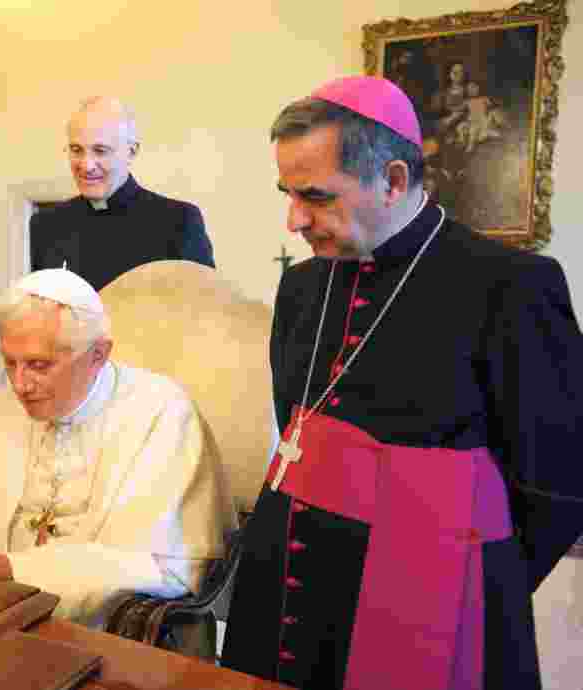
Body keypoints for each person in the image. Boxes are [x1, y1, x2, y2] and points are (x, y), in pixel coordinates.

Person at [221, 76, 583, 690]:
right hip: (286, 588)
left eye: (315, 197)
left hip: (433, 595)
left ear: (390, 181)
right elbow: (295, 424)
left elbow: (557, 482)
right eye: (287, 193)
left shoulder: (511, 285)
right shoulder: (304, 287)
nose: (294, 220)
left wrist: (474, 579)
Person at [0, 268, 233, 626]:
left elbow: (161, 566)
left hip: (103, 633)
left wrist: (15, 568)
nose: (21, 384)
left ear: (98, 355)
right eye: (10, 363)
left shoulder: (161, 412)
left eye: (39, 365)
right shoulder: (7, 404)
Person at [30, 97, 214, 291]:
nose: (86, 165)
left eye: (100, 151)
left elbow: (203, 311)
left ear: (131, 152)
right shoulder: (45, 226)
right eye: (77, 150)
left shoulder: (178, 222)